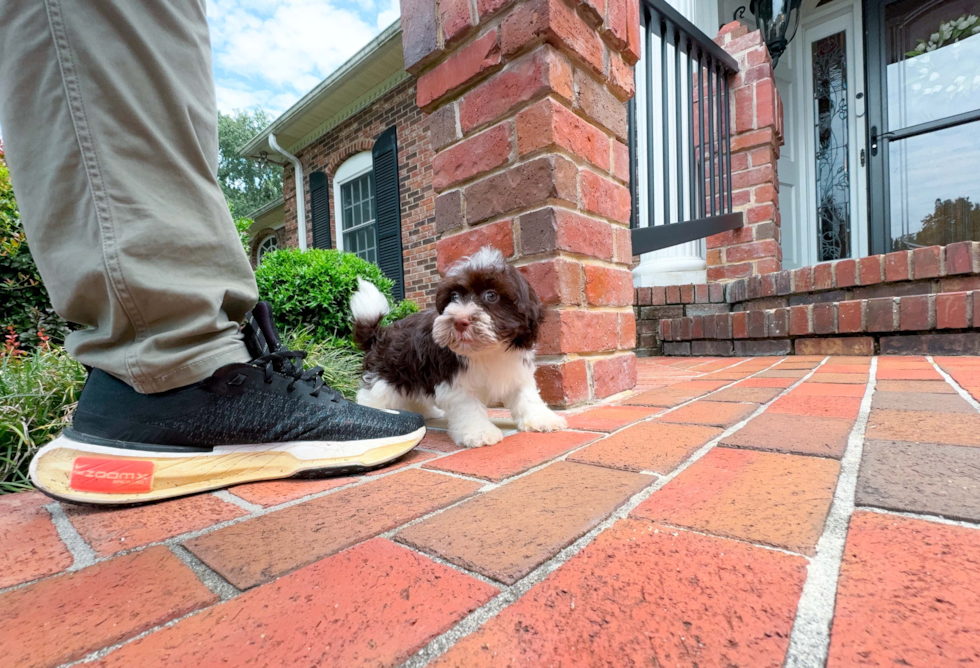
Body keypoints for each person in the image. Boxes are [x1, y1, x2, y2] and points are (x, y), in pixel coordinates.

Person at [0, 0, 425, 505]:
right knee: (115, 34)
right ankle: (175, 360)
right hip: (169, 374)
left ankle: (184, 359)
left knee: (169, 81)